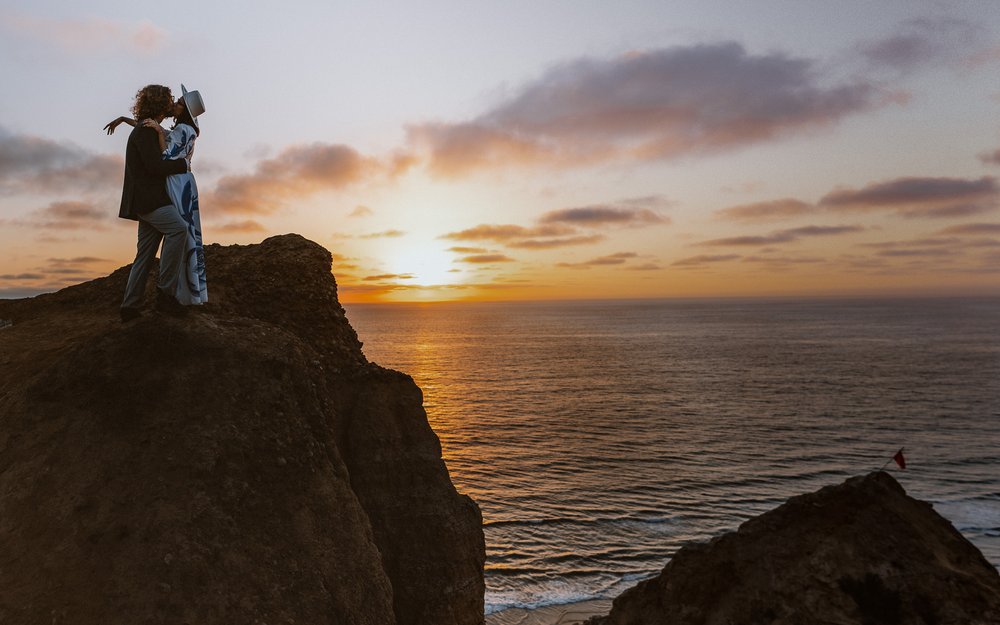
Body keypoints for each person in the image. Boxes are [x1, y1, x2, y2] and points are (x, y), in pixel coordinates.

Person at [106, 84, 205, 320]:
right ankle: (165, 295)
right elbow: (155, 167)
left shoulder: (148, 128)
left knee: (145, 254)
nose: (172, 104)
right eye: (170, 100)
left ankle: (130, 306)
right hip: (151, 200)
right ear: (161, 105)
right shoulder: (146, 131)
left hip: (147, 200)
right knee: (179, 230)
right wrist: (184, 165)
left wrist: (123, 119)